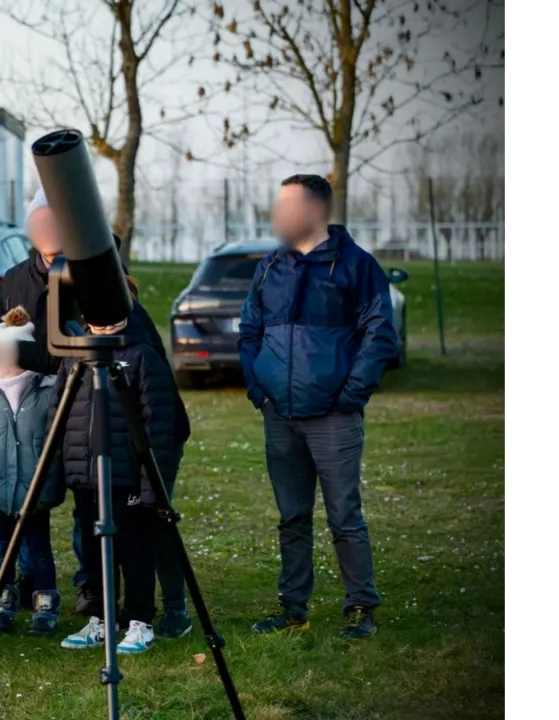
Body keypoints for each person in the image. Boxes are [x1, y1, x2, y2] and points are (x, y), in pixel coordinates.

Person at [0, 188, 177, 617]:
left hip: (118, 419)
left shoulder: (98, 276)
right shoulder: (18, 277)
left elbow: (137, 364)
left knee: (140, 520)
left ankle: (158, 606)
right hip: (61, 415)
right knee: (77, 510)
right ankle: (81, 593)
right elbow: (2, 337)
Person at [239, 174, 398, 640]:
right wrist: (259, 389)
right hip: (279, 415)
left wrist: (350, 395)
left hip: (333, 416)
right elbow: (249, 331)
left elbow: (379, 334)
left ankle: (360, 607)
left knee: (344, 517)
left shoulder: (356, 265)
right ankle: (293, 608)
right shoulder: (270, 266)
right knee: (291, 517)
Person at [54, 278, 182, 655]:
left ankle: (139, 621)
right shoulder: (75, 357)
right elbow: (58, 417)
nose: (106, 323)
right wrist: (61, 470)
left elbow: (158, 426)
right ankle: (100, 618)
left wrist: (150, 484)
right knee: (92, 550)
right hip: (86, 475)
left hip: (126, 476)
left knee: (133, 549)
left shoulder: (142, 356)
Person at [0, 306, 63, 636]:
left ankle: (45, 603)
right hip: (0, 488)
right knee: (4, 546)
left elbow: (56, 436)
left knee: (38, 548)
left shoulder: (47, 393)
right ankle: (2, 602)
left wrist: (46, 469)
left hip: (36, 490)